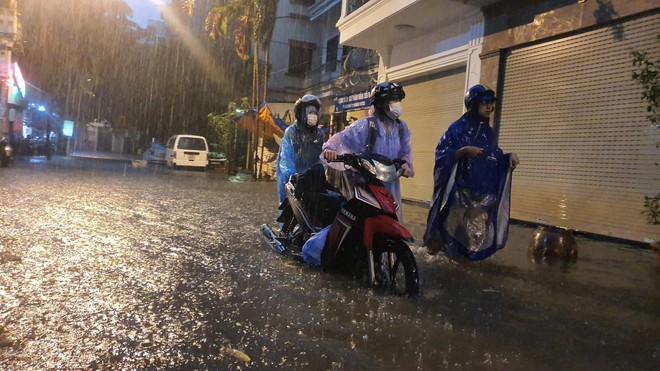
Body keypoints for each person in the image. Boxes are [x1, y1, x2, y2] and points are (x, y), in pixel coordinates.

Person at [423, 84, 520, 261]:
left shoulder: (487, 132)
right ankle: (439, 255)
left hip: (479, 192)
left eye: (491, 103)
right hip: (460, 191)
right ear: (473, 104)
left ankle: (462, 259)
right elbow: (442, 154)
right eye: (484, 103)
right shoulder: (457, 128)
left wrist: (508, 158)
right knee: (451, 226)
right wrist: (463, 151)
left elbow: (493, 156)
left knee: (473, 231)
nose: (489, 107)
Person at [321, 81, 414, 221]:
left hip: (391, 185)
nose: (397, 104)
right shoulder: (366, 126)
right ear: (381, 103)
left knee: (390, 220)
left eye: (398, 100)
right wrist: (330, 149)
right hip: (367, 185)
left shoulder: (401, 128)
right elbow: (340, 138)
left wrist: (406, 164)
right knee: (362, 223)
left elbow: (405, 152)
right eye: (393, 100)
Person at [275, 94, 326, 203]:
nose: (313, 116)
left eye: (315, 113)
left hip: (311, 182)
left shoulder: (319, 135)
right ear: (301, 113)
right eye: (310, 113)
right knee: (288, 209)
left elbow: (321, 158)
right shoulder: (291, 132)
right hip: (292, 181)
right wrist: (293, 176)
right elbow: (286, 158)